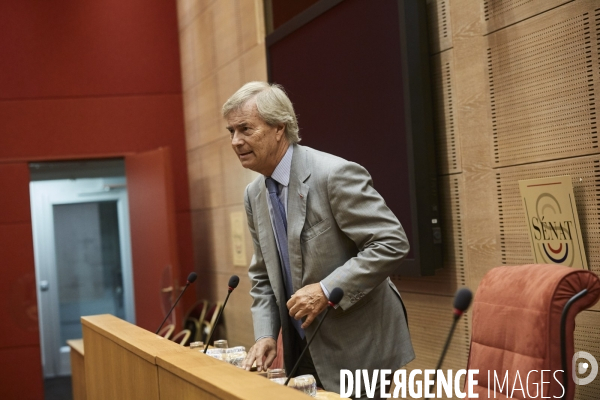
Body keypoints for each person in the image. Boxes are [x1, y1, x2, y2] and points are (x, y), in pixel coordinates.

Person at [222, 81, 414, 395]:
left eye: (245, 129)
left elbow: (391, 242)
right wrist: (265, 335)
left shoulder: (333, 174)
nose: (236, 141)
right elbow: (263, 275)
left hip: (359, 345)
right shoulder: (254, 194)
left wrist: (326, 290)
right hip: (303, 347)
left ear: (279, 128)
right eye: (231, 131)